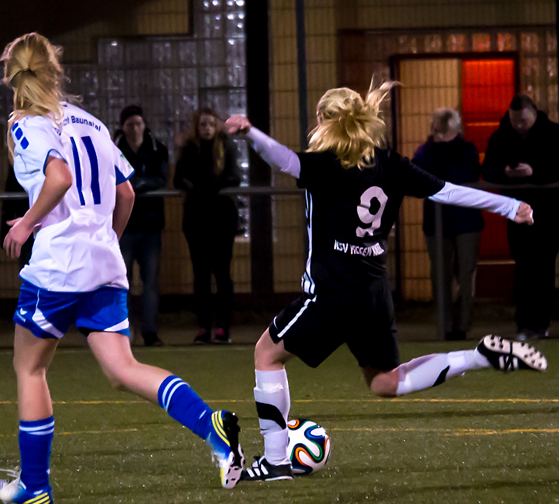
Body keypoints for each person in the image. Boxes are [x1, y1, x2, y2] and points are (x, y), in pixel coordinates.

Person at [224, 80, 547, 483]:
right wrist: (510, 205)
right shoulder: (389, 163)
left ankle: (274, 461)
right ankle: (478, 357)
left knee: (266, 354)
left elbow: (284, 159)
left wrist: (250, 133)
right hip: (374, 291)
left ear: (324, 120)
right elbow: (446, 192)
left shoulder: (325, 164)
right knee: (384, 381)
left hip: (332, 291)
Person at [0, 33, 244, 504]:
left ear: (13, 78)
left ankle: (35, 485)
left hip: (59, 269)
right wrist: (105, 239)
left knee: (29, 367)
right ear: (54, 70)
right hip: (104, 264)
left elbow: (59, 176)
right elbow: (126, 194)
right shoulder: (93, 123)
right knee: (123, 369)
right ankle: (208, 424)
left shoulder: (26, 123)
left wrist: (26, 224)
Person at [481, 94, 559, 341]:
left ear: (534, 114)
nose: (519, 126)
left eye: (523, 121)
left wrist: (534, 172)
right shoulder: (500, 136)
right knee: (524, 267)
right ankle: (525, 324)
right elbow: (488, 170)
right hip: (517, 213)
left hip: (548, 212)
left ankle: (540, 324)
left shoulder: (553, 134)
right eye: (515, 121)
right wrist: (506, 173)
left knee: (544, 267)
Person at [413, 108, 483, 341]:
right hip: (440, 221)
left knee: (464, 274)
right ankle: (448, 325)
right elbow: (419, 173)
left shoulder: (465, 150)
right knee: (441, 275)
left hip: (463, 220)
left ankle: (460, 326)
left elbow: (456, 176)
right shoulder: (426, 151)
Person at [174, 108, 241, 345]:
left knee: (222, 274)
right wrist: (199, 187)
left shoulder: (227, 147)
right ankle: (203, 327)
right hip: (196, 220)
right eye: (203, 124)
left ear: (218, 126)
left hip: (222, 219)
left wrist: (203, 186)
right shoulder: (189, 149)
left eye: (211, 124)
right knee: (200, 275)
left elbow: (235, 177)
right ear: (197, 127)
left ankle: (223, 327)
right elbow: (178, 178)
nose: (207, 128)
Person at [114, 105, 169, 347]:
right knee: (120, 282)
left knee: (151, 283)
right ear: (122, 127)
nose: (134, 128)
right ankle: (121, 333)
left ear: (144, 125)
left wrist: (134, 184)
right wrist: (141, 184)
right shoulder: (114, 149)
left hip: (150, 226)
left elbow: (162, 179)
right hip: (123, 226)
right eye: (129, 124)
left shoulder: (157, 149)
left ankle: (149, 332)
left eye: (138, 123)